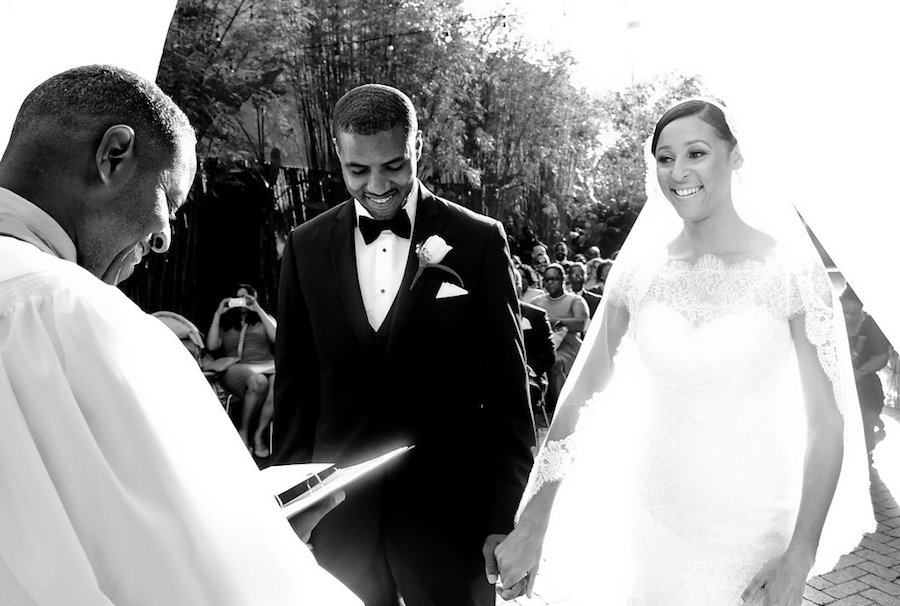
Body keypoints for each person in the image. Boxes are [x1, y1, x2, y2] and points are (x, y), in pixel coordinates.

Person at [0, 65, 358, 605]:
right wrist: (268, 544)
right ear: (114, 155)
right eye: (168, 201)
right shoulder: (77, 316)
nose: (164, 240)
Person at [493, 99, 873, 605]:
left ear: (735, 157)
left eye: (696, 152)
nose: (679, 171)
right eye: (665, 158)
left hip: (754, 530)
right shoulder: (639, 275)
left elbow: (826, 422)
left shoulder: (791, 275)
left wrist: (799, 555)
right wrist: (534, 521)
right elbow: (582, 399)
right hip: (649, 525)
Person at [272, 83, 535, 606]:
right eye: (357, 170)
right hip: (340, 519)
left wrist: (507, 519)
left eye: (393, 166)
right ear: (338, 155)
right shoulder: (306, 246)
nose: (376, 185)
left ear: (419, 145)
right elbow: (296, 391)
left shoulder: (479, 239)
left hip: (450, 513)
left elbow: (509, 393)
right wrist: (288, 512)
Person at [206, 283, 277, 457]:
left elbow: (276, 336)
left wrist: (257, 308)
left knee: (278, 383)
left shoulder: (262, 318)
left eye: (246, 297)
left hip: (267, 364)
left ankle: (259, 434)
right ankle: (244, 431)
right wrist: (218, 313)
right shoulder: (227, 323)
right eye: (238, 297)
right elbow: (212, 345)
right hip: (237, 367)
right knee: (259, 381)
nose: (242, 302)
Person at [841, 285, 891, 463]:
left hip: (864, 380)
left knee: (865, 409)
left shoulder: (871, 325)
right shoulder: (829, 320)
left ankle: (865, 449)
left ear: (861, 311)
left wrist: (859, 372)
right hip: (836, 380)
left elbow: (882, 356)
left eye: (853, 314)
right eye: (844, 311)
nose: (847, 317)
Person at [530, 263, 588, 412]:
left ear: (563, 280)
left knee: (555, 362)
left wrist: (554, 320)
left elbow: (580, 323)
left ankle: (561, 409)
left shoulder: (575, 300)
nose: (550, 283)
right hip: (545, 347)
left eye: (554, 279)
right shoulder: (537, 302)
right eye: (547, 280)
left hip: (568, 347)